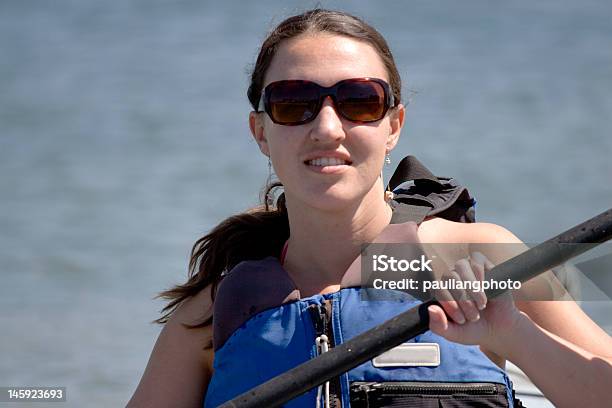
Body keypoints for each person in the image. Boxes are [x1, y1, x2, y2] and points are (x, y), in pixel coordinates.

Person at [127, 9, 612, 408]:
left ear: (394, 125)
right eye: (294, 104)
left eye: (359, 102)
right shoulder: (213, 311)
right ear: (260, 132)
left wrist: (514, 335)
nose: (328, 129)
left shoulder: (486, 253)